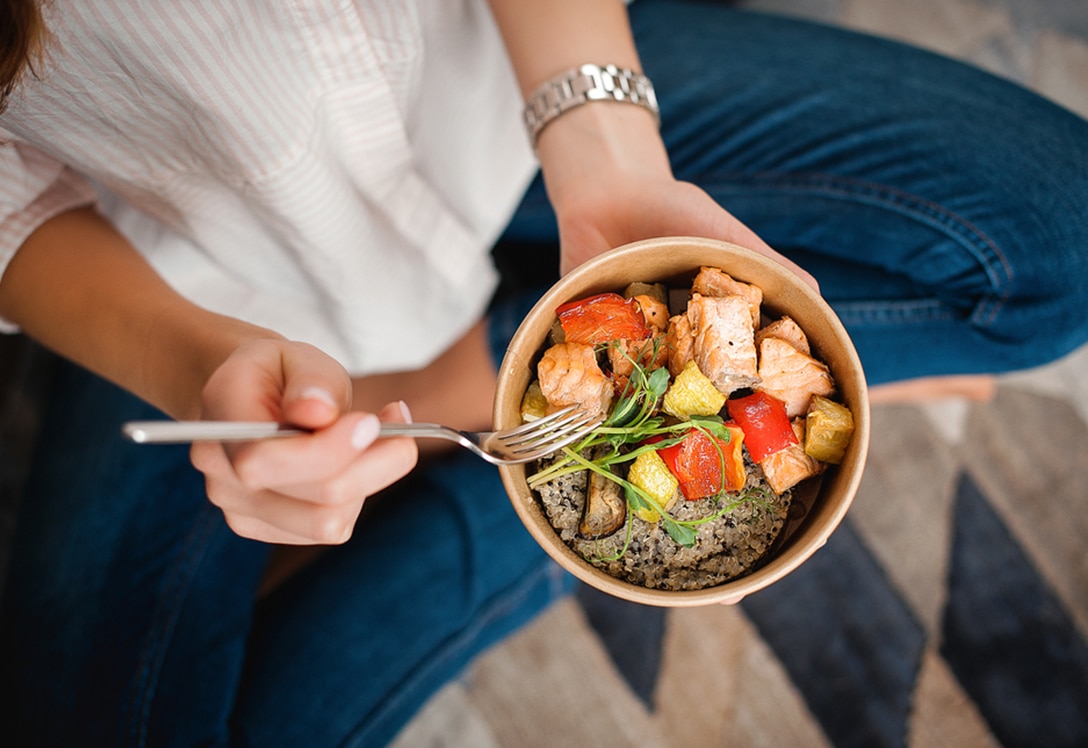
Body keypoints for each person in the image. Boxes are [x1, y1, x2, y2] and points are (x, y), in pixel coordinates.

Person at [1, 0, 1085, 745]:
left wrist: (608, 158)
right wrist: (197, 366)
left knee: (1060, 242)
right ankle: (531, 475)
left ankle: (491, 417)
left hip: (523, 99)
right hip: (195, 277)